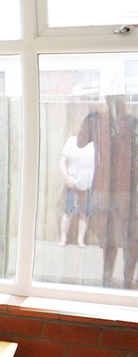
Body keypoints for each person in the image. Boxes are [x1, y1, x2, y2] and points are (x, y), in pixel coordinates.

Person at [77, 96, 138, 288]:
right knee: (108, 237)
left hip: (128, 191)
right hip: (103, 189)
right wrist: (90, 119)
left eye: (119, 100)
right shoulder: (97, 121)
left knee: (132, 236)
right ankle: (107, 278)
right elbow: (80, 142)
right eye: (111, 100)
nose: (115, 104)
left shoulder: (132, 123)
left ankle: (128, 279)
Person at [58, 135, 94, 247]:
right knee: (69, 212)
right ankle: (63, 238)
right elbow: (62, 162)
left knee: (84, 213)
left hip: (87, 184)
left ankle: (80, 240)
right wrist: (67, 179)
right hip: (72, 183)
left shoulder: (94, 144)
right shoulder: (72, 141)